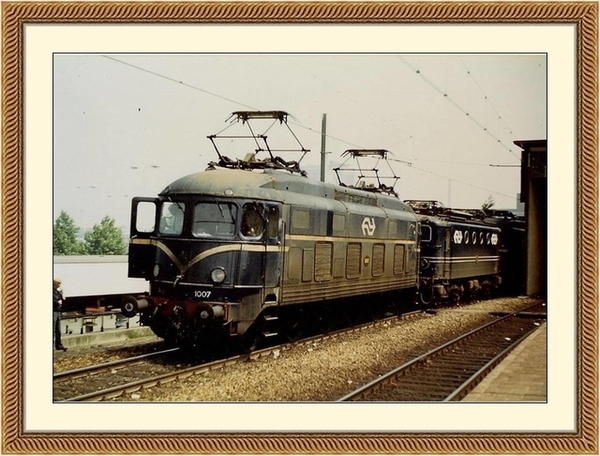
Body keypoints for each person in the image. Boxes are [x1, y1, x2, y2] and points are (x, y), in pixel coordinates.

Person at [53, 278, 67, 351]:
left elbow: (61, 298)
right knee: (53, 328)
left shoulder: (57, 291)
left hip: (58, 310)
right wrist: (57, 302)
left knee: (58, 329)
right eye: (58, 283)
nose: (60, 285)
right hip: (53, 310)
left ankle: (59, 345)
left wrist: (62, 293)